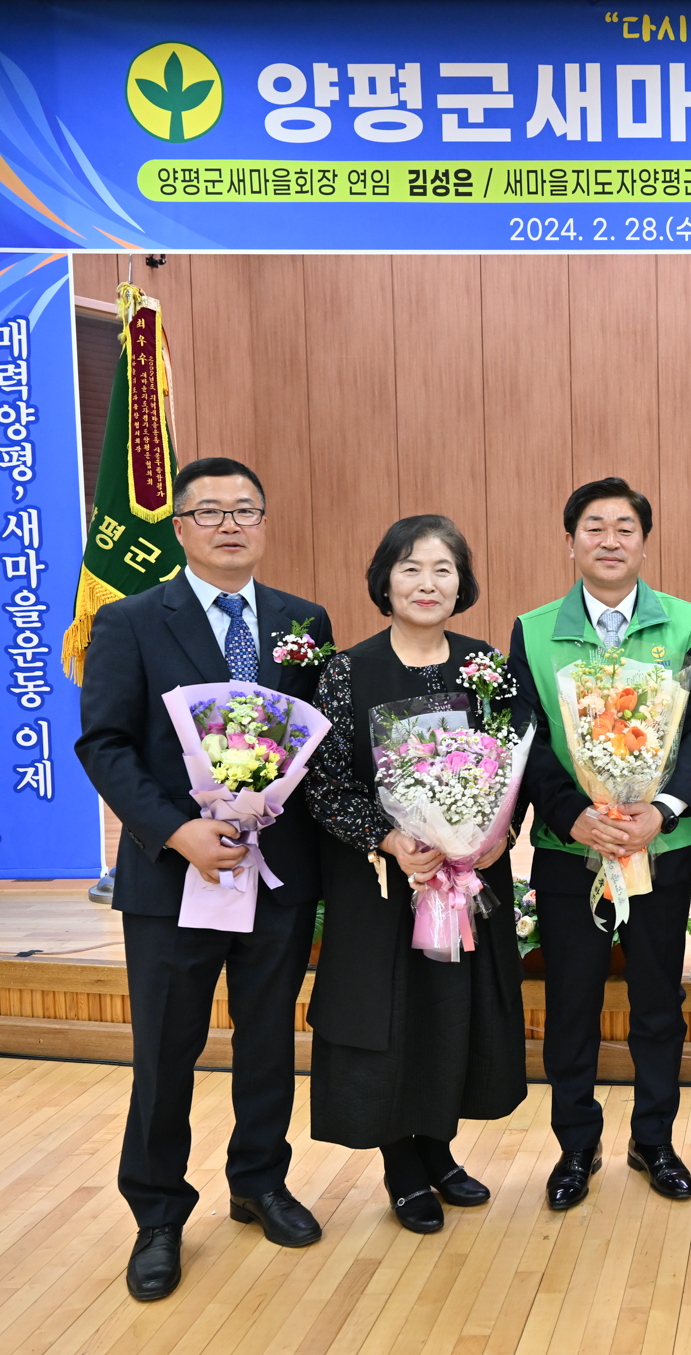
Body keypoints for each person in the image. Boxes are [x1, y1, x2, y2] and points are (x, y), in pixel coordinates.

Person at [75, 457, 333, 1302]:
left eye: (246, 509)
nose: (231, 523)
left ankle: (259, 1178)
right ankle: (157, 1213)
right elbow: (104, 743)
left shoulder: (304, 621)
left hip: (277, 873)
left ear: (264, 523)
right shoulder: (130, 620)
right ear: (180, 527)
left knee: (266, 1040)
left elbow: (316, 749)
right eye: (210, 510)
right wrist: (179, 830)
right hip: (171, 875)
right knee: (167, 1051)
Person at [302, 515, 527, 1234]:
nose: (427, 583)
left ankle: (440, 1151)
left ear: (462, 583)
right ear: (385, 580)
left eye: (442, 569)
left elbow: (516, 769)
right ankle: (402, 1167)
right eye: (411, 568)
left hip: (464, 883)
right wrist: (389, 838)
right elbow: (325, 784)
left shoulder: (484, 667)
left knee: (453, 1016)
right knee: (391, 1023)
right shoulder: (346, 670)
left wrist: (496, 837)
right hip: (381, 887)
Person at [508, 478, 691, 1210]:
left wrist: (662, 808)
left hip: (661, 847)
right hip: (573, 851)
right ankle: (576, 1144)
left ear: (643, 540)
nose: (608, 539)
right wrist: (573, 814)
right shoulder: (534, 630)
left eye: (623, 527)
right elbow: (526, 738)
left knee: (659, 999)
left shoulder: (690, 622)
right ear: (570, 541)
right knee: (571, 1003)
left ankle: (653, 1139)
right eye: (593, 527)